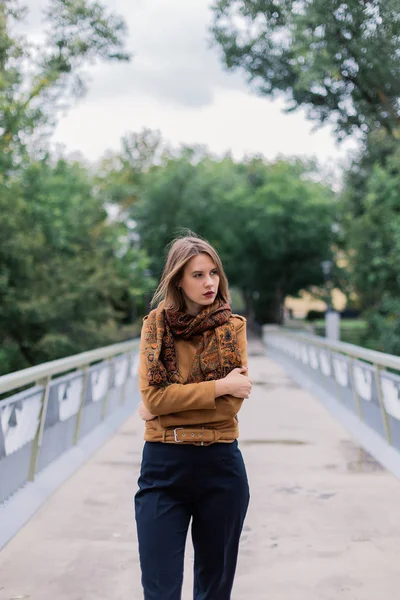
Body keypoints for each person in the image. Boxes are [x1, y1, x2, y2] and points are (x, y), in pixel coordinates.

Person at [134, 233, 252, 600]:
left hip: (220, 466)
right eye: (198, 275)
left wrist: (168, 404)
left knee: (214, 591)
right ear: (178, 281)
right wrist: (218, 387)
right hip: (163, 467)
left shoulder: (232, 328)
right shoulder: (155, 327)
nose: (209, 283)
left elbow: (230, 407)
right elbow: (154, 398)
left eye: (214, 273)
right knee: (160, 590)